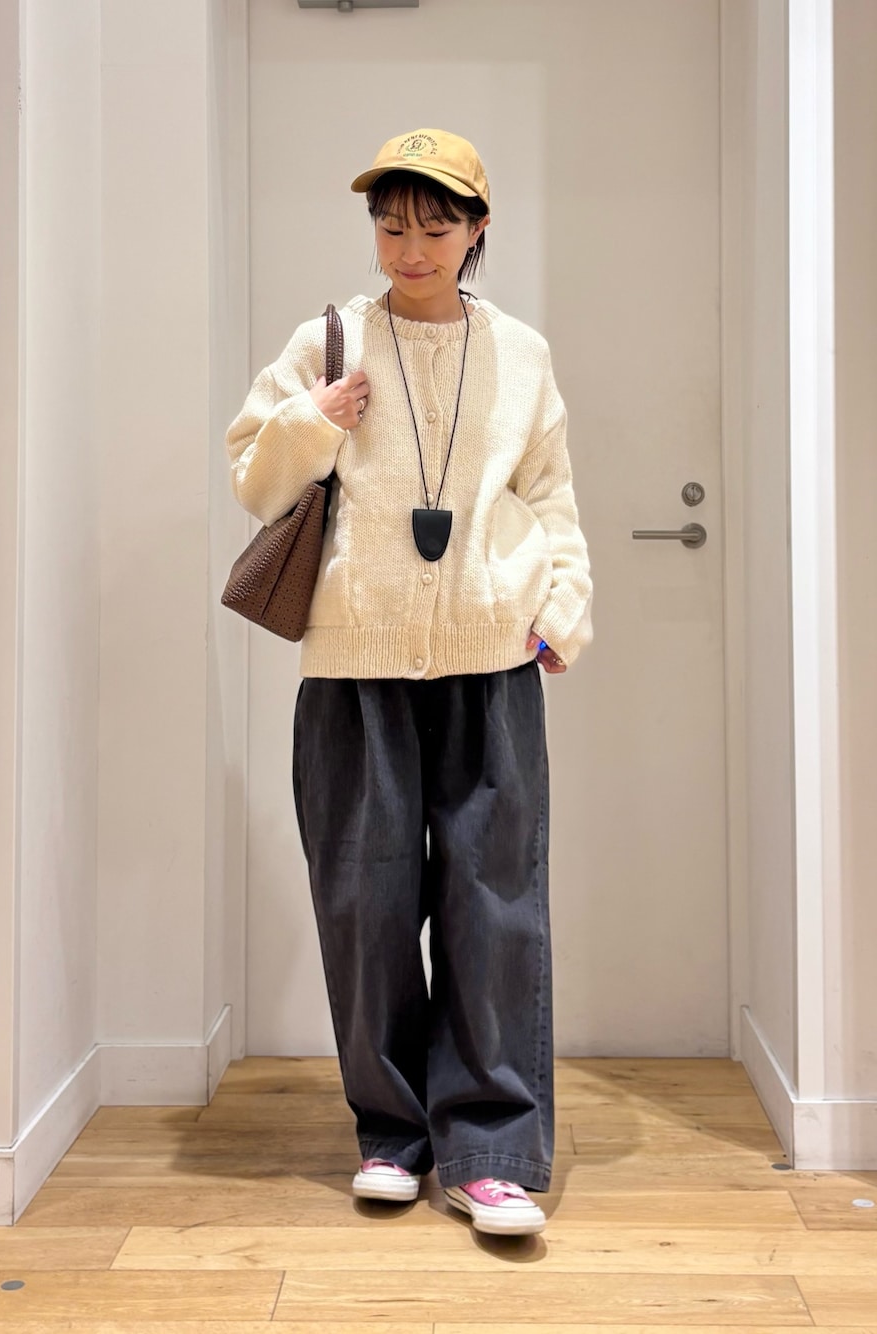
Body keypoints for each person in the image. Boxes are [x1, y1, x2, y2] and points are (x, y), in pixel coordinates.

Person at [225, 128, 592, 1238]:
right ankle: (390, 1134)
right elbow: (252, 478)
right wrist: (311, 420)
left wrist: (559, 612)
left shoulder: (520, 353)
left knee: (494, 908)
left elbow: (550, 495)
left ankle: (491, 1151)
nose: (410, 248)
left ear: (477, 229)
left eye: (435, 226)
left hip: (491, 661)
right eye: (391, 225)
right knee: (364, 906)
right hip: (355, 667)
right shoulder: (328, 339)